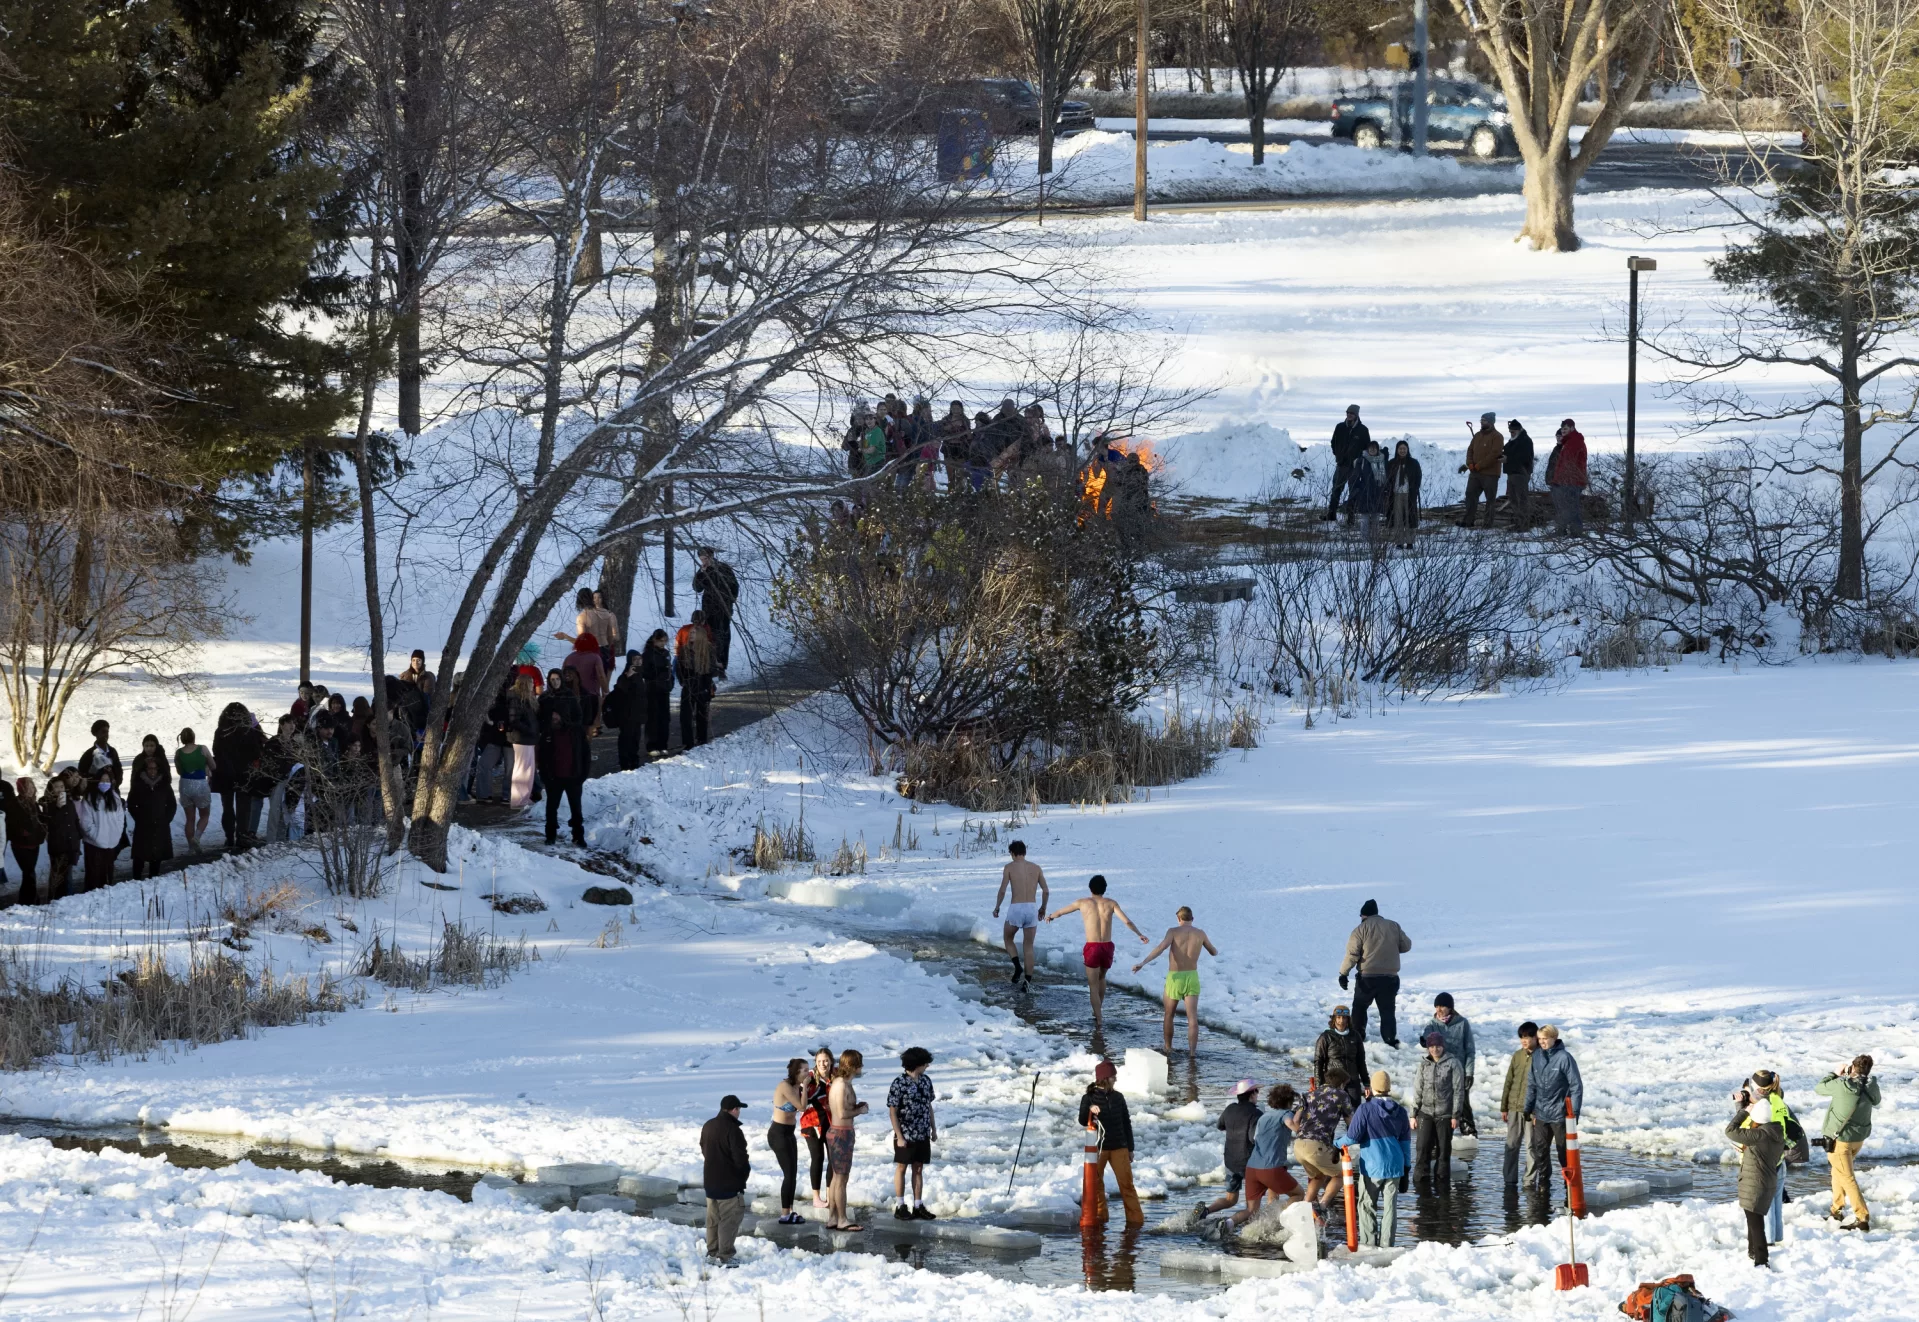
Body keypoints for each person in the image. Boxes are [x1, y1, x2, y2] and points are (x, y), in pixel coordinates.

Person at [1044, 873, 1147, 1027]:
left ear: (1090, 888)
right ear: (1104, 889)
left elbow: (1061, 912)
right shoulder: (1111, 903)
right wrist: (1139, 934)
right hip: (1107, 947)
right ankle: (1098, 1009)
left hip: (1092, 947)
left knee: (1093, 984)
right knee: (1101, 978)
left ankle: (1098, 1019)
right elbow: (1127, 921)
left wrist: (1051, 916)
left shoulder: (1083, 902)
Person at [1135, 906, 1218, 1057]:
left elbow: (1161, 948)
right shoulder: (1200, 933)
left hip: (1175, 977)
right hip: (1191, 977)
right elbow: (1213, 952)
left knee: (1169, 1015)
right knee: (1192, 1018)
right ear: (1192, 919)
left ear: (1178, 919)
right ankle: (1192, 1053)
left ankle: (1168, 1048)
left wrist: (1143, 962)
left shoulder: (1173, 931)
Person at [1344, 1071, 1413, 1247]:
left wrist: (1337, 1143)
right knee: (1390, 1208)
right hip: (1395, 1165)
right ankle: (1387, 1245)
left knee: (1367, 1206)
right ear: (1388, 1088)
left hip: (1372, 1166)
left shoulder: (1365, 1109)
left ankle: (1368, 1244)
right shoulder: (1401, 1111)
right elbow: (1405, 1143)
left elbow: (1352, 1137)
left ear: (1372, 1088)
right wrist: (1406, 1168)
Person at [1078, 1059, 1144, 1227]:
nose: (1116, 1079)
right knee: (1097, 1185)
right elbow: (1082, 1121)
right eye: (1113, 1076)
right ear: (1105, 1078)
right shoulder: (1089, 1097)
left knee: (1127, 1185)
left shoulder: (1119, 1097)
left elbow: (1126, 1123)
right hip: (1098, 1149)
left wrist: (1130, 1148)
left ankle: (1136, 1221)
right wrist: (1090, 1110)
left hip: (1119, 1147)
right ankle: (1101, 1218)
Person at [1337, 899, 1411, 1047]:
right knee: (1387, 1010)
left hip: (1367, 978)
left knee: (1360, 1007)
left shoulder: (1360, 929)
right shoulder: (1393, 925)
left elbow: (1352, 954)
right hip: (1390, 977)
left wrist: (1343, 974)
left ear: (1363, 915)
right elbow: (1406, 946)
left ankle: (1357, 1036)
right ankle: (1389, 1039)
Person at [1817, 1054, 1878, 1231]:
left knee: (1847, 1178)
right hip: (1858, 1139)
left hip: (1840, 1140)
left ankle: (1862, 1217)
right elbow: (1877, 1100)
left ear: (1852, 1068)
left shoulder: (1841, 1085)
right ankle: (1836, 1209)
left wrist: (1835, 1074)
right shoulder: (1871, 1085)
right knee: (1838, 1172)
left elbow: (1819, 1088)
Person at [1726, 1089, 1785, 1267]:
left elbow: (1730, 1130)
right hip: (1766, 1181)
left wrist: (1744, 1111)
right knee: (1754, 1218)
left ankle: (1761, 1259)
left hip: (1754, 1183)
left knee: (1755, 1222)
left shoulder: (1759, 1135)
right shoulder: (1775, 1133)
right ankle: (1753, 1251)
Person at [1522, 1024, 1582, 1195]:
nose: (1542, 1042)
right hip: (1541, 1113)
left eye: (1545, 1039)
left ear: (1554, 1038)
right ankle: (1543, 1183)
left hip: (1560, 1114)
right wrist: (1528, 1107)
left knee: (1564, 1153)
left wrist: (1574, 1113)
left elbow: (1576, 1086)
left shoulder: (1564, 1058)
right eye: (1540, 1039)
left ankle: (1569, 1187)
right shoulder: (1537, 1057)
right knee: (1540, 1150)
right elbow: (1532, 1084)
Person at [1236, 1084, 1302, 1225]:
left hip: (1252, 1168)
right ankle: (1273, 1218)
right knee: (1298, 1194)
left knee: (1251, 1210)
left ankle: (1228, 1223)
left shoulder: (1264, 1117)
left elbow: (1257, 1138)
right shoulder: (1286, 1114)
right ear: (1289, 1102)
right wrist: (1301, 1124)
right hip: (1271, 1168)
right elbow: (1291, 1124)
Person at [1292, 1065, 1356, 1209]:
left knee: (1319, 1176)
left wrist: (1305, 1136)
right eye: (1345, 1084)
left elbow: (1295, 1121)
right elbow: (1350, 1123)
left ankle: (1305, 1208)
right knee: (1341, 1175)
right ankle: (1321, 1206)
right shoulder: (1341, 1094)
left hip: (1299, 1145)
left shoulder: (1308, 1094)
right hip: (1316, 1146)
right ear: (1341, 1083)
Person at [698, 1094, 751, 1264]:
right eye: (739, 1109)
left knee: (713, 1220)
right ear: (734, 1110)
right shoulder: (733, 1130)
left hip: (710, 1182)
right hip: (729, 1184)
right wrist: (743, 1175)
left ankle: (712, 1252)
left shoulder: (708, 1125)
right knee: (729, 1220)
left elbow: (703, 1148)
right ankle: (725, 1256)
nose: (739, 1112)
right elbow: (740, 1159)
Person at [887, 1046, 938, 1221]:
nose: (927, 1066)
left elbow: (928, 1105)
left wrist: (933, 1128)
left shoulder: (925, 1081)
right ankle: (900, 1205)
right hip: (906, 1133)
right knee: (902, 1167)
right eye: (925, 1063)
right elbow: (892, 1111)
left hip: (922, 1132)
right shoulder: (899, 1083)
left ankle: (918, 1205)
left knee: (918, 1168)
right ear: (917, 1064)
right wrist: (899, 1136)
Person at [1198, 1080, 1262, 1219]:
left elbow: (1220, 1125)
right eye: (1256, 1092)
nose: (1258, 1095)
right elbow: (1253, 1138)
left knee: (1230, 1199)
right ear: (1251, 1095)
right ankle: (1239, 1225)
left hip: (1231, 1160)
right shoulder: (1256, 1113)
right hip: (1249, 1162)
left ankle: (1206, 1211)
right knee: (1252, 1205)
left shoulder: (1230, 1109)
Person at [991, 840, 1048, 991]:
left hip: (1016, 908)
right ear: (1024, 852)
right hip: (1031, 908)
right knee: (1028, 946)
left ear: (1012, 853)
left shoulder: (1009, 867)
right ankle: (1027, 982)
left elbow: (1002, 890)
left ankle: (1017, 967)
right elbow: (1046, 891)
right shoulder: (1036, 868)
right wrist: (1042, 908)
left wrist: (997, 907)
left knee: (1008, 938)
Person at [825, 1048, 870, 1232]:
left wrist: (856, 1106)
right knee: (841, 1178)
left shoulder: (840, 1082)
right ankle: (842, 1219)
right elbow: (842, 1113)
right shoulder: (842, 1084)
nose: (862, 1067)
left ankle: (833, 1217)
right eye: (860, 1063)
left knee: (837, 1177)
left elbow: (836, 1107)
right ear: (853, 1066)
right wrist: (859, 1111)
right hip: (841, 1134)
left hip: (838, 1132)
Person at [1412, 1031, 1464, 1184]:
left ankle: (1442, 1185)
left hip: (1445, 1114)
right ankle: (1420, 1182)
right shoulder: (1423, 1065)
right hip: (1425, 1113)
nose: (1435, 1049)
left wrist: (1455, 1115)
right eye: (1432, 1046)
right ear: (1428, 1048)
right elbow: (1417, 1089)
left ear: (1443, 1046)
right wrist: (1413, 1113)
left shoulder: (1453, 1063)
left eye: (1438, 1046)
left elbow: (1458, 1090)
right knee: (1422, 1149)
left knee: (1443, 1151)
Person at [211, 703, 264, 852]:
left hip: (225, 774)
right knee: (244, 808)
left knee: (227, 808)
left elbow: (216, 750)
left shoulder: (221, 731)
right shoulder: (249, 731)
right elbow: (256, 751)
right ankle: (242, 837)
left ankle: (229, 837)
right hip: (244, 774)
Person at [536, 703, 589, 846]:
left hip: (574, 777)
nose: (554, 718)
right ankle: (550, 835)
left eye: (556, 716)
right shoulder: (548, 733)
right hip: (554, 778)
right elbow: (541, 756)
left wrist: (583, 774)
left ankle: (578, 836)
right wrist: (545, 776)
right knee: (551, 808)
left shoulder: (577, 732)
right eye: (552, 716)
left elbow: (585, 754)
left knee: (576, 809)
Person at [1425, 993, 1477, 1135]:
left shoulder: (1462, 1023)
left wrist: (1469, 1073)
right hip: (1440, 1072)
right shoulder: (1432, 1024)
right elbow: (1426, 1036)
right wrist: (1424, 1040)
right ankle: (1436, 1138)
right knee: (1440, 1104)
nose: (1439, 1009)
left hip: (1459, 1071)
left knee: (1463, 1103)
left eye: (1442, 1006)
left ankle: (1469, 1134)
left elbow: (1470, 1050)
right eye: (1436, 1006)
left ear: (1450, 1008)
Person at [1499, 1021, 1541, 1190]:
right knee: (1511, 1144)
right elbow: (1509, 1081)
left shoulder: (1542, 1056)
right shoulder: (1517, 1055)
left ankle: (1529, 1181)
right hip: (1514, 1107)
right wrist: (1504, 1107)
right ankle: (1509, 1180)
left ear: (1535, 1038)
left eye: (1528, 1037)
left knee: (1531, 1146)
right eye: (1522, 1037)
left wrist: (1538, 1110)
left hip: (1532, 1110)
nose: (1524, 1041)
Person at [126, 747, 176, 879]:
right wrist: (139, 817)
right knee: (140, 854)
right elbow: (131, 803)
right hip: (143, 824)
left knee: (157, 854)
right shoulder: (138, 784)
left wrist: (166, 819)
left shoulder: (164, 784)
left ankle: (153, 877)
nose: (152, 771)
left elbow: (171, 804)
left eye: (155, 768)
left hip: (160, 823)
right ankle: (136, 878)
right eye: (150, 768)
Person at [75, 767, 129, 891]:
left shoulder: (115, 798)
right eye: (102, 780)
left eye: (107, 780)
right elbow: (86, 822)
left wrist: (116, 834)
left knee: (107, 876)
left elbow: (120, 818)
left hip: (111, 844)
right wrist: (97, 837)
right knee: (94, 878)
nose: (105, 783)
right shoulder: (89, 799)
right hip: (94, 845)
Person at [770, 1059, 806, 1225]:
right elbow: (801, 1106)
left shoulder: (796, 1086)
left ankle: (790, 1210)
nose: (808, 1073)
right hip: (778, 1133)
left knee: (793, 1173)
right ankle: (784, 1214)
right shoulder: (785, 1086)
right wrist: (805, 1087)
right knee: (789, 1174)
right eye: (804, 1070)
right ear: (796, 1072)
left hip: (789, 1133)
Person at [798, 1046, 836, 1210]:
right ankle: (816, 1197)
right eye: (820, 1061)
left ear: (831, 1061)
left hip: (830, 1123)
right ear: (816, 1063)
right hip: (812, 1124)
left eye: (826, 1061)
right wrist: (804, 1087)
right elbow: (801, 1102)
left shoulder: (835, 1078)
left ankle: (829, 1196)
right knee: (818, 1158)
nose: (823, 1064)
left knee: (833, 1160)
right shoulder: (810, 1079)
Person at [693, 549, 741, 677]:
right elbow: (697, 588)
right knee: (710, 637)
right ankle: (711, 665)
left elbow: (734, 587)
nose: (704, 561)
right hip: (708, 611)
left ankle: (721, 666)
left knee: (723, 638)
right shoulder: (703, 571)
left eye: (706, 558)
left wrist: (729, 602)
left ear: (711, 556)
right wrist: (701, 573)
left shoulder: (723, 568)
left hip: (723, 609)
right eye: (702, 559)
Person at [675, 612, 716, 748]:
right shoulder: (685, 650)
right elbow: (679, 667)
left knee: (701, 714)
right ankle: (688, 742)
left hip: (703, 683)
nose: (690, 635)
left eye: (693, 633)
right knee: (685, 715)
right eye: (690, 633)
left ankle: (702, 739)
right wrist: (683, 681)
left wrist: (707, 686)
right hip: (689, 683)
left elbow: (711, 669)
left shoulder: (707, 650)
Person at [1325, 405, 1370, 523]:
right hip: (1341, 464)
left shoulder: (1363, 430)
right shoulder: (1339, 427)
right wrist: (1337, 455)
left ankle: (1351, 517)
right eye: (1348, 412)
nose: (1349, 414)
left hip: (1354, 467)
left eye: (1352, 413)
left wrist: (1358, 461)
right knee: (1336, 490)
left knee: (1353, 492)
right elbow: (1333, 442)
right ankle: (1331, 514)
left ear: (1356, 415)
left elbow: (1367, 448)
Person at [1314, 1005, 1368, 1105]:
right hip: (1333, 1082)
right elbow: (1318, 1062)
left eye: (1344, 1018)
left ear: (1348, 1020)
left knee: (1354, 1112)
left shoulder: (1355, 1036)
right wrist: (1319, 1086)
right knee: (1330, 1113)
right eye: (1338, 1017)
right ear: (1334, 1019)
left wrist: (1366, 1083)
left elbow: (1361, 1061)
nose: (1341, 1021)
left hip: (1352, 1081)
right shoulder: (1325, 1037)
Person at [1459, 411, 1504, 528]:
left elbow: (1494, 454)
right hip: (1475, 473)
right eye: (1481, 420)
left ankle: (1488, 523)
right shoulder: (1477, 436)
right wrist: (1470, 463)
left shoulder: (1497, 437)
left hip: (1490, 474)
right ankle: (1468, 520)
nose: (1481, 422)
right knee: (1470, 495)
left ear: (1490, 422)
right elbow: (1470, 450)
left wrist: (1479, 465)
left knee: (1490, 499)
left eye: (1483, 420)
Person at [1545, 418, 1588, 536]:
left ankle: (1575, 531)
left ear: (1572, 428)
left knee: (1571, 507)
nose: (1563, 431)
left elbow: (1568, 464)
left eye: (1565, 429)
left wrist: (1560, 481)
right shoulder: (1568, 442)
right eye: (1562, 429)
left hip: (1572, 481)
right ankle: (1564, 530)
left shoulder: (1574, 441)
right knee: (1566, 507)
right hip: (1566, 481)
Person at [173, 729, 214, 853]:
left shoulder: (179, 753)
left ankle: (191, 848)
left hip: (185, 784)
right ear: (193, 737)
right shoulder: (203, 749)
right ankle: (196, 838)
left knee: (190, 818)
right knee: (204, 815)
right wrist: (205, 766)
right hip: (200, 784)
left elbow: (179, 771)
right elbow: (214, 766)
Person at [41, 774, 80, 902]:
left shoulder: (69, 802)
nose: (60, 789)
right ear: (51, 789)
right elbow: (51, 825)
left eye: (62, 786)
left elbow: (74, 823)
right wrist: (57, 808)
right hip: (57, 846)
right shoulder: (47, 804)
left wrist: (77, 841)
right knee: (58, 875)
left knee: (68, 874)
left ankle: (67, 900)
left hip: (71, 844)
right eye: (56, 787)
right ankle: (55, 900)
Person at [604, 650, 646, 771]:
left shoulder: (640, 675)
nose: (638, 662)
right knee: (626, 739)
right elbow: (620, 690)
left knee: (636, 739)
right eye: (635, 660)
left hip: (637, 714)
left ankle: (634, 761)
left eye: (640, 659)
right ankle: (625, 763)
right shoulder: (625, 676)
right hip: (626, 715)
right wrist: (628, 676)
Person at [6, 778, 44, 904]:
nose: (31, 789)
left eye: (32, 786)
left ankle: (26, 899)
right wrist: (23, 832)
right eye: (27, 787)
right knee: (29, 872)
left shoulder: (34, 803)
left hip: (34, 843)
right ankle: (31, 900)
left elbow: (41, 821)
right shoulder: (14, 803)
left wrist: (40, 834)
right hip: (20, 845)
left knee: (29, 873)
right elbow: (10, 825)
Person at [561, 633, 607, 736]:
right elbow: (601, 676)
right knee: (588, 725)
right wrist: (606, 691)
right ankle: (585, 747)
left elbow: (562, 675)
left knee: (572, 724)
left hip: (571, 696)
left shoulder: (569, 658)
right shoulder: (595, 657)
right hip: (590, 695)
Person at [638, 629, 674, 758]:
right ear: (655, 640)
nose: (663, 644)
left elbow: (670, 670)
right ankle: (651, 744)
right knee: (653, 717)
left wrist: (669, 682)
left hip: (664, 688)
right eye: (661, 641)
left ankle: (663, 744)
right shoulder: (648, 654)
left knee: (664, 718)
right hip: (652, 689)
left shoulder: (665, 653)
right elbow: (645, 672)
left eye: (664, 641)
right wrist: (658, 674)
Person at [1384, 439, 1422, 549]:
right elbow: (1388, 478)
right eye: (1400, 449)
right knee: (1398, 519)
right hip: (1396, 494)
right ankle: (1399, 542)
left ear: (1407, 450)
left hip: (1409, 494)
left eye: (1404, 449)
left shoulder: (1413, 463)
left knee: (1410, 518)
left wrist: (1415, 488)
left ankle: (1410, 542)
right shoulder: (1392, 463)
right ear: (1397, 450)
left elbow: (1418, 476)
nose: (1402, 451)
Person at [575, 586, 619, 675]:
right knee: (604, 684)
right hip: (607, 650)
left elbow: (582, 641)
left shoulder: (582, 617)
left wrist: (566, 637)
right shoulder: (607, 614)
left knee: (592, 684)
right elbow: (615, 636)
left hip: (592, 653)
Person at [1503, 418, 1536, 528]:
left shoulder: (1525, 441)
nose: (1512, 434)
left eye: (1513, 432)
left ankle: (1523, 523)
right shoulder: (1514, 441)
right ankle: (1519, 522)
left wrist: (1507, 459)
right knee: (1513, 499)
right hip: (1512, 473)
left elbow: (1524, 457)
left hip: (1521, 473)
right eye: (1510, 432)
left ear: (1519, 430)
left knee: (1521, 499)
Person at [1350, 438, 1385, 537]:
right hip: (1364, 492)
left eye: (1374, 448)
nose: (1372, 450)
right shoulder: (1362, 461)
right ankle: (1364, 538)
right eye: (1371, 448)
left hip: (1377, 492)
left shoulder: (1381, 460)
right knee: (1364, 517)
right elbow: (1356, 476)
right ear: (1367, 450)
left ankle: (1375, 537)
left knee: (1376, 516)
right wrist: (1358, 488)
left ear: (1378, 449)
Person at [77, 719, 122, 790]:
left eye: (107, 732)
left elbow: (118, 770)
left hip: (112, 792)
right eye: (103, 732)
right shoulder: (88, 755)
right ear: (96, 734)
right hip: (94, 793)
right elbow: (82, 775)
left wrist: (115, 785)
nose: (106, 735)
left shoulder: (113, 751)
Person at [939, 401, 971, 491]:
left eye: (957, 408)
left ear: (961, 409)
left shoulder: (965, 420)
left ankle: (960, 496)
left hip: (961, 449)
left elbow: (969, 436)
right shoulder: (946, 419)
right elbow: (941, 433)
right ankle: (951, 496)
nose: (955, 410)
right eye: (953, 408)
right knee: (950, 476)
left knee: (960, 476)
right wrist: (951, 425)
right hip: (948, 448)